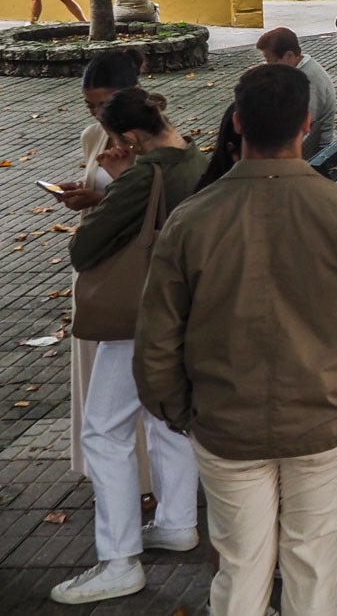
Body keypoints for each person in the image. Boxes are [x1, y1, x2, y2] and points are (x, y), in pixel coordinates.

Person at [135, 65, 337, 616]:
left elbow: (157, 339)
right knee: (313, 562)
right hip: (328, 416)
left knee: (238, 566)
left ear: (237, 123)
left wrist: (179, 408)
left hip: (224, 420)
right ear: (306, 124)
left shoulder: (191, 221)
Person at [52, 88, 206, 605]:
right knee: (168, 420)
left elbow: (85, 246)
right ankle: (178, 520)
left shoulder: (144, 173)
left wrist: (116, 188)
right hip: (191, 311)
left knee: (103, 432)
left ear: (133, 136)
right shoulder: (200, 162)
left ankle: (119, 559)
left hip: (141, 318)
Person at [56, 52, 144, 485]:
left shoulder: (151, 143)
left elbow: (155, 206)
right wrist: (81, 191)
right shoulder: (94, 136)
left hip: (133, 274)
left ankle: (147, 482)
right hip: (95, 268)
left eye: (105, 105)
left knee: (136, 385)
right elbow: (99, 184)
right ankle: (109, 475)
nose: (98, 115)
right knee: (99, 382)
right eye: (90, 106)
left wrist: (101, 200)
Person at [256, 27, 335, 157]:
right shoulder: (294, 70)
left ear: (289, 56)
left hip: (314, 146)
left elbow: (303, 126)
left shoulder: (309, 79)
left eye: (270, 62)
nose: (267, 67)